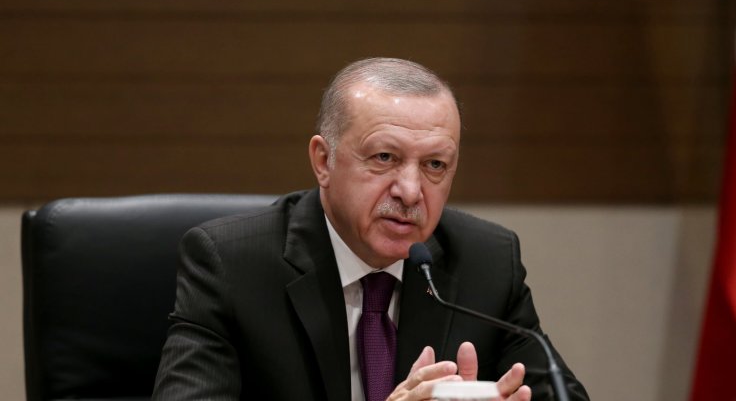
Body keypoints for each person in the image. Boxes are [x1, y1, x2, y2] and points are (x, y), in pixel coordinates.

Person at [153, 58, 589, 401]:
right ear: (324, 161)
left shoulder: (486, 262)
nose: (410, 191)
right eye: (384, 158)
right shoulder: (231, 265)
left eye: (435, 165)